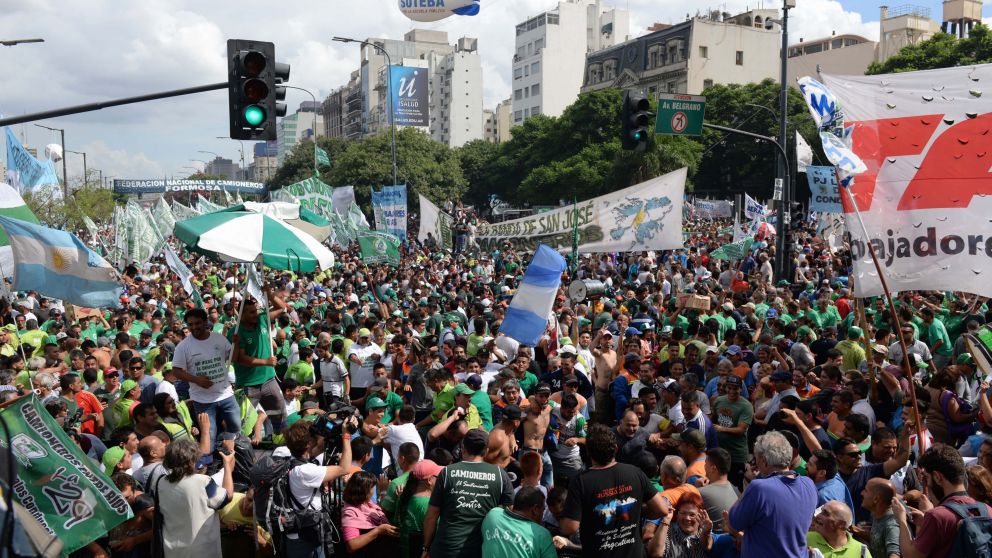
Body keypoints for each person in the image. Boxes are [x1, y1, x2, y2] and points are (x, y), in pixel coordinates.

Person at [560, 423, 671, 558]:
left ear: (588, 452)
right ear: (616, 448)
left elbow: (569, 527)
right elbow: (662, 509)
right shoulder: (635, 472)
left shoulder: (580, 481)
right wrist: (636, 510)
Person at [422, 429, 514, 558]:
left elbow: (431, 516)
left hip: (446, 549)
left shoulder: (447, 472)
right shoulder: (500, 475)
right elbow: (509, 512)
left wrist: (426, 547)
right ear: (486, 451)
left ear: (463, 448)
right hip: (482, 550)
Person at [892, 443, 992, 558]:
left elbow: (911, 556)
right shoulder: (988, 510)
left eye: (927, 477)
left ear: (937, 477)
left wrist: (901, 519)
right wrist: (924, 522)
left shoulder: (936, 516)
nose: (927, 484)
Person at [727, 431, 817, 558]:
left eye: (756, 458)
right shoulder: (809, 484)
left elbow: (733, 524)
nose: (755, 462)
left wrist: (751, 483)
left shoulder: (759, 488)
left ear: (764, 461)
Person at [171, 308, 239, 448]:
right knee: (209, 436)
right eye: (190, 324)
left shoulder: (218, 338)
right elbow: (176, 372)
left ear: (205, 322)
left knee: (236, 429)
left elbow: (233, 358)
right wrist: (197, 380)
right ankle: (211, 460)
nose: (194, 327)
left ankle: (237, 456)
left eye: (197, 323)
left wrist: (236, 344)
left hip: (226, 395)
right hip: (202, 401)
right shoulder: (183, 346)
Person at [155, 437, 234, 558]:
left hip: (172, 551)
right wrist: (227, 465)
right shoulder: (203, 481)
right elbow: (227, 497)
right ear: (192, 459)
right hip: (201, 551)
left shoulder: (161, 482)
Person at [231, 296, 288, 433]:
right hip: (248, 385)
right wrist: (266, 362)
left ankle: (280, 439)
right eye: (251, 312)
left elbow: (282, 308)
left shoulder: (262, 319)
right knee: (242, 423)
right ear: (242, 315)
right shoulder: (236, 331)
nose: (255, 314)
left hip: (269, 381)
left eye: (255, 310)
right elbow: (240, 359)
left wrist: (268, 293)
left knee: (280, 416)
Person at [481, 487, 559, 558]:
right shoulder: (542, 534)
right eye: (543, 510)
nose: (543, 515)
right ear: (535, 509)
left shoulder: (493, 515)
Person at [342, 470, 399, 556]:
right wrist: (378, 531)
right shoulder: (350, 512)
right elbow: (351, 545)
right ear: (363, 490)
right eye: (372, 488)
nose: (373, 491)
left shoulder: (369, 504)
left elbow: (381, 512)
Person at [395, 459, 443, 558]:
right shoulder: (428, 505)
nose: (440, 480)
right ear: (429, 480)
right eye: (438, 477)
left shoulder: (404, 497)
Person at [647, 491, 713, 558]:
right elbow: (655, 553)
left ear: (700, 515)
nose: (687, 518)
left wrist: (706, 533)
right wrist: (666, 520)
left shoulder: (704, 531)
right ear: (677, 514)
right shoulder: (668, 531)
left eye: (692, 515)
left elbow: (708, 546)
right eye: (683, 513)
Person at [697, 448, 740, 533]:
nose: (704, 466)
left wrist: (697, 488)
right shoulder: (737, 491)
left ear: (713, 468)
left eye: (705, 464)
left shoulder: (701, 492)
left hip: (713, 539)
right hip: (735, 538)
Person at [859, 478, 900, 558]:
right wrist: (856, 531)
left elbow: (895, 555)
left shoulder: (891, 525)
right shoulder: (878, 514)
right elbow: (879, 540)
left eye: (866, 490)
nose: (862, 493)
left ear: (876, 498)